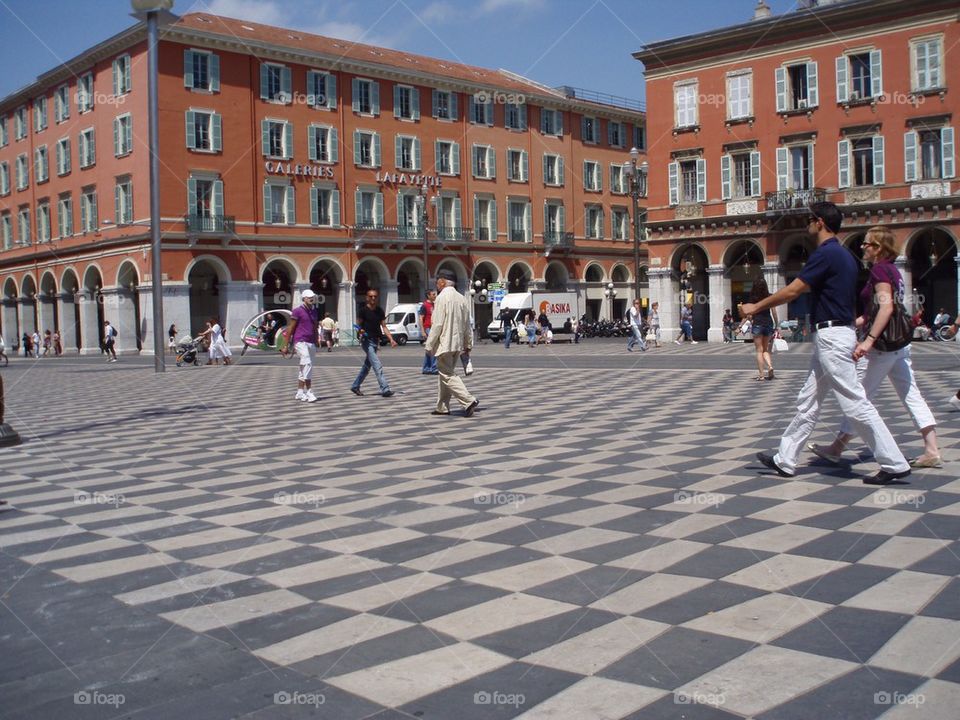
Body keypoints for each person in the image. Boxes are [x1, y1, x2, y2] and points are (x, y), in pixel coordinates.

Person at [740, 202, 910, 485]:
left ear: (819, 222)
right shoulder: (845, 256)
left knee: (855, 402)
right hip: (834, 335)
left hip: (832, 337)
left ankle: (894, 462)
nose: (807, 223)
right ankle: (786, 458)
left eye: (809, 219)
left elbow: (794, 290)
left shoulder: (826, 253)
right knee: (808, 400)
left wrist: (756, 306)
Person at [807, 226, 941, 469]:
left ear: (878, 248)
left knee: (858, 396)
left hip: (883, 347)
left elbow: (886, 308)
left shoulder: (880, 270)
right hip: (900, 344)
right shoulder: (894, 271)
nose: (862, 247)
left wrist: (867, 341)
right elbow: (878, 311)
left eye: (866, 244)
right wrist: (853, 324)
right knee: (911, 395)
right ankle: (931, 448)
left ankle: (839, 448)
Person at [424, 269, 478, 417]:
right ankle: (442, 407)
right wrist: (468, 344)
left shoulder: (442, 298)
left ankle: (468, 400)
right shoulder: (462, 298)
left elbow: (437, 324)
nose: (436, 285)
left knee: (446, 374)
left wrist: (429, 344)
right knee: (445, 375)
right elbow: (467, 324)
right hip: (458, 344)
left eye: (437, 282)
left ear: (442, 282)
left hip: (445, 343)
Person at [351, 288, 396, 397]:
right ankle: (385, 389)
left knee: (367, 366)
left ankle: (355, 386)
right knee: (377, 365)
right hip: (366, 341)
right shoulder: (363, 310)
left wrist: (391, 339)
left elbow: (384, 326)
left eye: (375, 296)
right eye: (371, 296)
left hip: (376, 340)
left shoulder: (380, 311)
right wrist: (360, 330)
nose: (373, 298)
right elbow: (358, 325)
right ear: (367, 298)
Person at [284, 290, 320, 402]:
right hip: (300, 341)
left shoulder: (314, 311)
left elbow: (315, 326)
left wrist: (316, 339)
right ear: (304, 298)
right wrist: (285, 345)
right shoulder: (297, 311)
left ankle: (300, 392)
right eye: (309, 297)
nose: (311, 299)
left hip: (311, 342)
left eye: (312, 297)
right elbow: (291, 328)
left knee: (304, 367)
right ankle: (309, 391)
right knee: (307, 363)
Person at [746, 279, 778, 381]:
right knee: (765, 349)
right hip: (768, 323)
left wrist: (749, 320)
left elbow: (749, 315)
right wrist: (776, 324)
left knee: (759, 351)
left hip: (758, 324)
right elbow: (774, 312)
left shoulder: (752, 298)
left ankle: (761, 375)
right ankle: (770, 366)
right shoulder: (770, 296)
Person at [419, 289, 438, 374]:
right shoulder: (425, 305)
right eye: (433, 294)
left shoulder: (435, 304)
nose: (435, 296)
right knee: (433, 348)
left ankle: (426, 368)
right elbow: (421, 318)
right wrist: (422, 331)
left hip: (434, 327)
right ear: (428, 295)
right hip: (428, 328)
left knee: (429, 349)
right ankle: (434, 368)